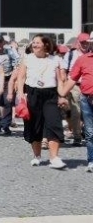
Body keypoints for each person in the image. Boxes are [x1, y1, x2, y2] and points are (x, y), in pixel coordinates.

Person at [16, 35, 67, 169]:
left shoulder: (55, 59)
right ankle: (37, 156)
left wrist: (62, 96)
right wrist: (21, 96)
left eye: (38, 43)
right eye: (33, 43)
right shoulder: (27, 58)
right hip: (33, 93)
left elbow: (60, 80)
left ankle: (54, 157)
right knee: (34, 125)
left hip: (51, 94)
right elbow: (20, 78)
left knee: (54, 123)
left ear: (45, 44)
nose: (34, 45)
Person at [60, 33, 93, 171]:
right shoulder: (82, 59)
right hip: (87, 99)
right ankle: (91, 161)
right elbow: (72, 79)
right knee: (90, 132)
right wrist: (61, 95)